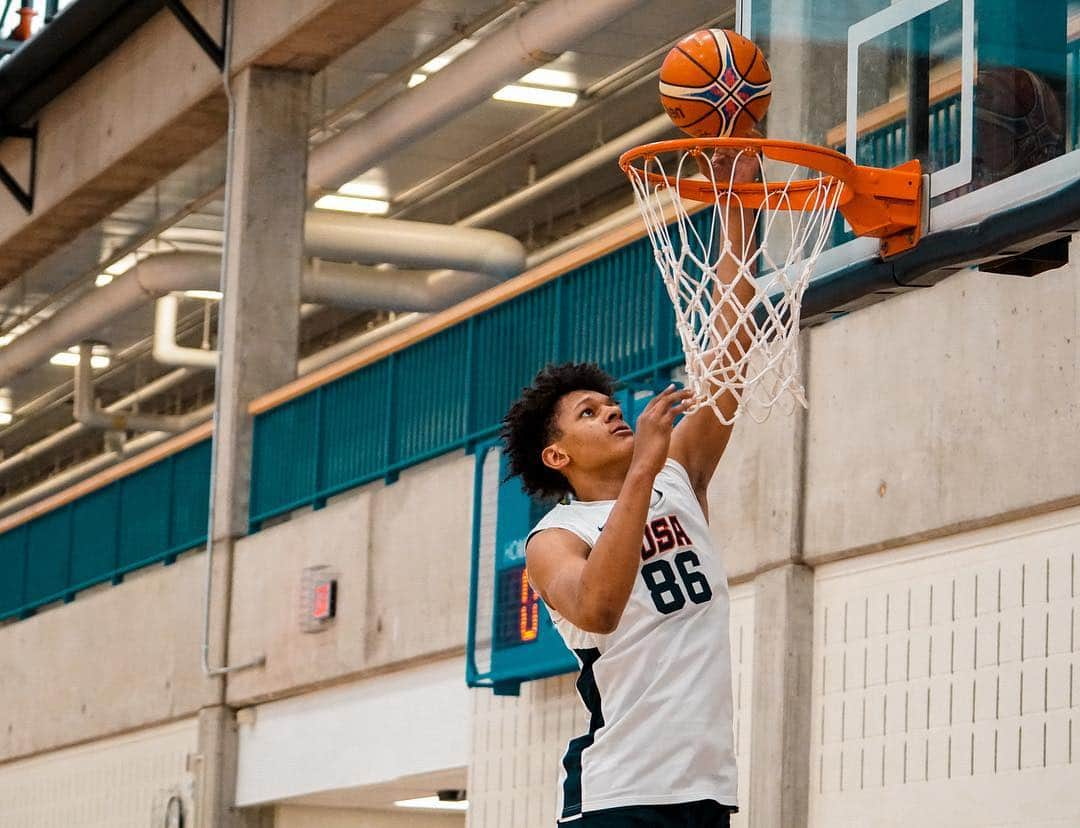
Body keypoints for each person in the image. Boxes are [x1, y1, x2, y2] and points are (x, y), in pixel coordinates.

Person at [501, 150, 756, 826]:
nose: (612, 410)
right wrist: (643, 466)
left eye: (608, 403)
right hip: (620, 796)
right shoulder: (554, 539)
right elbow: (598, 607)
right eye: (588, 412)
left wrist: (739, 212)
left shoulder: (678, 474)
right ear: (557, 455)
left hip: (706, 789)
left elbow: (732, 354)